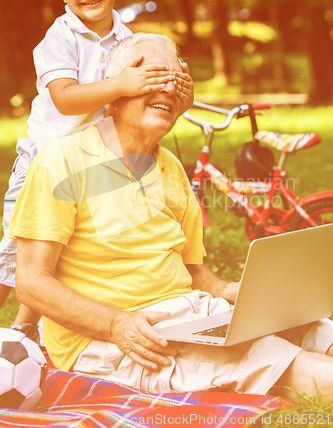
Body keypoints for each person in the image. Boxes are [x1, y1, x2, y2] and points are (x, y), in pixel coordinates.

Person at [8, 33, 333, 399]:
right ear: (113, 96)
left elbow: (191, 270)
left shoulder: (171, 167)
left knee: (318, 330)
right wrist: (117, 323)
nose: (165, 90)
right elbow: (31, 282)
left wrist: (229, 292)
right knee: (274, 359)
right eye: (150, 79)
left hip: (192, 315)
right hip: (119, 339)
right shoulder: (61, 162)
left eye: (174, 81)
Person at [0, 0, 193, 341]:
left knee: (64, 248)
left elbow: (143, 100)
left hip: (94, 162)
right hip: (43, 161)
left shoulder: (128, 40)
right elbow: (66, 100)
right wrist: (124, 83)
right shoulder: (60, 38)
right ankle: (12, 326)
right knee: (15, 255)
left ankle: (24, 332)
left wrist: (180, 93)